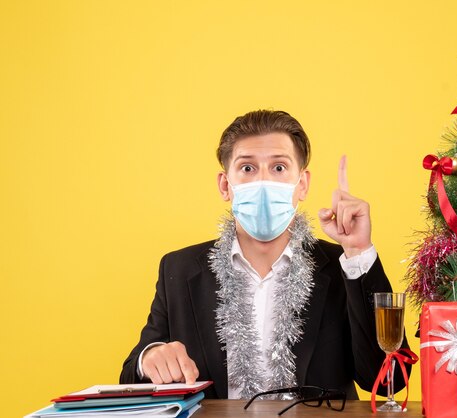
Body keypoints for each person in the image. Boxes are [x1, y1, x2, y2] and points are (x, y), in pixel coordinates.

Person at [120, 110, 410, 399]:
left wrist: (358, 252)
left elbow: (389, 380)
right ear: (225, 185)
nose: (263, 181)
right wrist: (150, 358)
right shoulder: (180, 270)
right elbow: (130, 373)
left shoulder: (341, 267)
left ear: (303, 184)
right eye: (247, 168)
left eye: (279, 168)